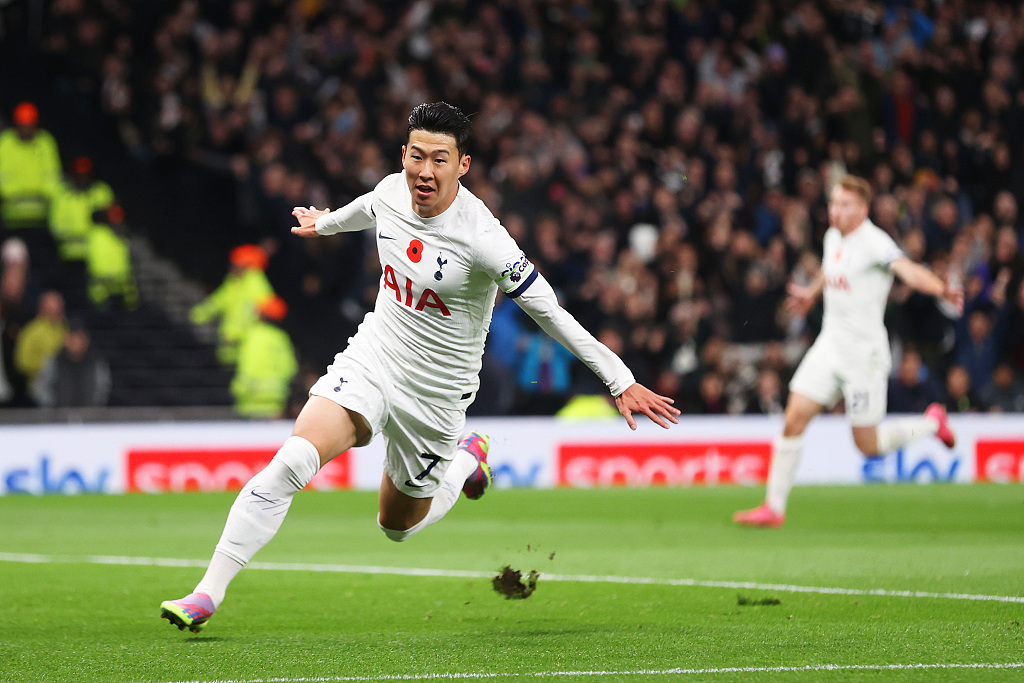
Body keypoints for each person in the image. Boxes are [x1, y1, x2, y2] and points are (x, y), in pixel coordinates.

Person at [160, 102, 679, 632]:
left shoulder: (483, 237)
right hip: (375, 358)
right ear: (402, 155)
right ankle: (207, 593)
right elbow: (365, 208)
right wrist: (324, 225)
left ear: (463, 165)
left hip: (438, 393)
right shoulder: (391, 190)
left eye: (439, 159)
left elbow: (549, 311)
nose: (424, 171)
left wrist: (621, 379)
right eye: (415, 156)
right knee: (294, 458)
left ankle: (464, 462)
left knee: (397, 527)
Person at [734, 175, 963, 528]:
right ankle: (773, 508)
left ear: (863, 210)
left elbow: (907, 270)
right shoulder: (832, 236)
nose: (835, 211)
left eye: (844, 205)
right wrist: (812, 292)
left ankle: (932, 423)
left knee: (867, 445)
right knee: (794, 416)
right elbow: (831, 268)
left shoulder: (875, 242)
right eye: (833, 203)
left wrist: (939, 289)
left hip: (864, 357)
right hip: (830, 345)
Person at [189, 243, 274, 364]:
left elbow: (262, 317)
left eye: (236, 264)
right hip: (227, 341)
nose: (232, 267)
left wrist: (239, 336)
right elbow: (219, 300)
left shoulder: (258, 286)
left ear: (247, 265)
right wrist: (198, 315)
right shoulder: (234, 281)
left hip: (242, 345)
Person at [230, 295, 298, 418]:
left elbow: (248, 365)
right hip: (275, 400)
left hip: (249, 399)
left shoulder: (253, 335)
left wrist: (239, 389)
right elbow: (290, 368)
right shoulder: (281, 338)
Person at [31, 320, 111, 407]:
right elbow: (40, 387)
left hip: (89, 415)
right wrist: (52, 407)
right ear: (65, 339)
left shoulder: (96, 361)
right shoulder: (54, 361)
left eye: (79, 338)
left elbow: (103, 388)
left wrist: (94, 407)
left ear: (86, 341)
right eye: (72, 338)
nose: (76, 343)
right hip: (58, 416)